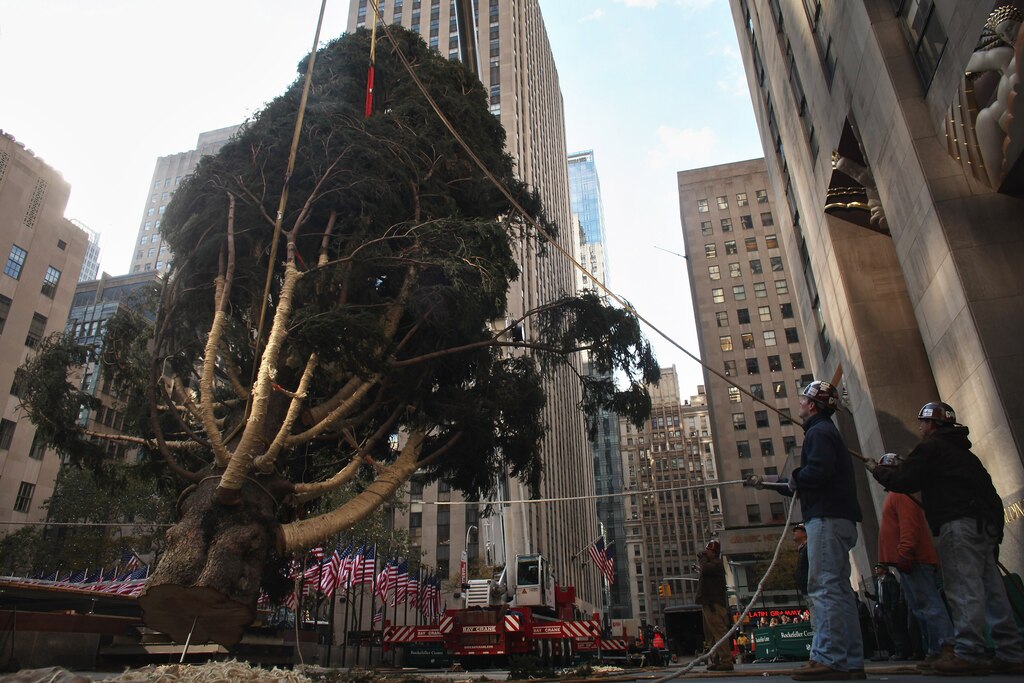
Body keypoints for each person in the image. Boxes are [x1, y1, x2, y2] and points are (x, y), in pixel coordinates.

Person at [870, 401, 1024, 676]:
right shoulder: (966, 455)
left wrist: (878, 471)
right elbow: (990, 492)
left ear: (931, 424)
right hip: (984, 527)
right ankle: (1011, 650)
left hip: (958, 525)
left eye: (922, 423)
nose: (920, 428)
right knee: (992, 590)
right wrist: (996, 532)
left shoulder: (931, 448)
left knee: (963, 589)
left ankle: (968, 652)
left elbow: (906, 480)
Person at [746, 380, 864, 681]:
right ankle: (849, 660)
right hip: (838, 518)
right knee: (838, 591)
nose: (799, 404)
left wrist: (797, 476)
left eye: (803, 400)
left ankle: (829, 657)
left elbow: (816, 473)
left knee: (823, 588)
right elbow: (804, 482)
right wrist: (771, 483)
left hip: (825, 518)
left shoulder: (818, 432)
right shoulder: (825, 432)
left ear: (812, 404)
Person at [876, 489, 953, 670]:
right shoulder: (896, 495)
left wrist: (905, 552)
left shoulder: (901, 494)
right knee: (921, 608)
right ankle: (936, 650)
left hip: (915, 560)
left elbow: (909, 525)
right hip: (908, 561)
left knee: (929, 604)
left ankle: (948, 646)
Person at [965, 5, 1024, 188]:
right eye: (1003, 35)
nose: (1008, 36)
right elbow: (974, 62)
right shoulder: (1005, 55)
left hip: (1017, 111)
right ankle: (999, 184)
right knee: (983, 118)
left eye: (1009, 29)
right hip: (1004, 121)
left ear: (1017, 21)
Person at [696, 539, 735, 672]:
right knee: (711, 635)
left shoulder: (716, 564)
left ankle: (726, 660)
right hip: (708, 603)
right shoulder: (709, 564)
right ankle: (717, 660)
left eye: (709, 550)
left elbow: (705, 569)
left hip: (714, 604)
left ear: (714, 552)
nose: (706, 552)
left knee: (719, 632)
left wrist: (702, 558)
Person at [865, 564, 908, 660]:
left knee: (896, 630)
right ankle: (896, 651)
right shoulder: (878, 582)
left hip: (890, 608)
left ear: (884, 570)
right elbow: (878, 597)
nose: (876, 569)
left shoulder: (889, 581)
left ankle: (902, 651)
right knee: (890, 631)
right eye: (875, 568)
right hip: (883, 608)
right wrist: (870, 596)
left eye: (879, 568)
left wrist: (893, 609)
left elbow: (893, 596)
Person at [793, 523, 810, 601]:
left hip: (810, 586)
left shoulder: (809, 547)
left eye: (797, 530)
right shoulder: (802, 548)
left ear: (804, 533)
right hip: (805, 587)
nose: (794, 533)